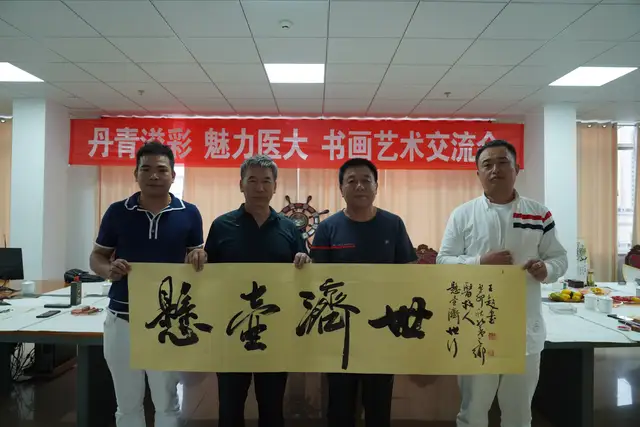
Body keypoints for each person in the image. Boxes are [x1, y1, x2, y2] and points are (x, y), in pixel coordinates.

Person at [437, 139, 568, 427]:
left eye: (502, 162)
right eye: (487, 164)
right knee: (473, 411)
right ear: (478, 173)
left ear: (516, 169)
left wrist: (546, 269)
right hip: (476, 326)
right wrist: (479, 262)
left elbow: (559, 257)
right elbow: (443, 261)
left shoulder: (538, 214)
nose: (495, 169)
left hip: (524, 328)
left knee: (519, 412)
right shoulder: (463, 214)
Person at [90, 141, 206, 427]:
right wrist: (109, 270)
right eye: (146, 169)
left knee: (167, 403)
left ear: (173, 175)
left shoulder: (189, 213)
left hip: (168, 321)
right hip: (123, 318)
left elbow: (196, 256)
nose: (154, 175)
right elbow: (97, 257)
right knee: (127, 404)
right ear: (136, 174)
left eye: (162, 169)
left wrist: (198, 257)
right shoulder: (118, 211)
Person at [203, 154, 310, 427]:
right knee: (230, 406)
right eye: (252, 180)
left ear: (275, 186)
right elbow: (208, 274)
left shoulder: (289, 228)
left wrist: (304, 261)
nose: (259, 188)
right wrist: (198, 258)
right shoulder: (222, 225)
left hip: (275, 331)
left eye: (266, 181)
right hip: (231, 330)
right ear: (241, 184)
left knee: (272, 406)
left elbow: (304, 275)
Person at [310, 158, 418, 427]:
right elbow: (317, 279)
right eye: (351, 181)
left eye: (366, 180)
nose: (359, 186)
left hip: (382, 331)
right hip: (339, 332)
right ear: (341, 189)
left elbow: (409, 272)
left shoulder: (393, 224)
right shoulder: (328, 228)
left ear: (376, 186)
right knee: (340, 407)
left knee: (378, 406)